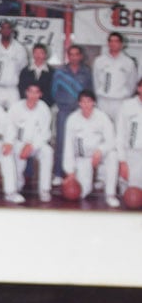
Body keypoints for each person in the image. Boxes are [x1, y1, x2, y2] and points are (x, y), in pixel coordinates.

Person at [62, 91, 120, 207]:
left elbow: (112, 140)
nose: (86, 105)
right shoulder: (72, 119)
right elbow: (68, 146)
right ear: (79, 103)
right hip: (83, 158)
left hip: (99, 154)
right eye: (83, 102)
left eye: (89, 101)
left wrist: (100, 151)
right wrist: (70, 172)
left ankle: (110, 194)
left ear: (94, 102)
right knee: (82, 192)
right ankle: (90, 182)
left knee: (113, 155)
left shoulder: (102, 117)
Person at [51, 43, 93, 181]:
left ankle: (76, 174)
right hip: (64, 112)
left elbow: (90, 92)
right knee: (61, 142)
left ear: (80, 56)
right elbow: (54, 92)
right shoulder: (60, 72)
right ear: (67, 56)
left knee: (80, 142)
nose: (74, 57)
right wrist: (63, 103)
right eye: (71, 54)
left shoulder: (86, 72)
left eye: (76, 54)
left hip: (81, 112)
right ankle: (58, 173)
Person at [9, 80, 54, 202]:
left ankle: (44, 189)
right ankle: (17, 185)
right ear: (26, 93)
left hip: (36, 145)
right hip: (19, 143)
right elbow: (9, 128)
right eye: (31, 92)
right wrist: (17, 145)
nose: (33, 95)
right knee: (17, 160)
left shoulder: (44, 109)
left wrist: (32, 146)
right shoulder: (15, 107)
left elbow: (46, 133)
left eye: (36, 92)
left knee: (48, 151)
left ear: (40, 94)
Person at [94, 31, 138, 125]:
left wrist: (125, 95)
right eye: (111, 41)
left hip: (120, 101)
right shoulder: (99, 61)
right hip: (103, 100)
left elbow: (132, 83)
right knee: (102, 128)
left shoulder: (128, 62)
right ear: (108, 43)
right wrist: (100, 94)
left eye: (116, 41)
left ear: (121, 44)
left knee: (120, 129)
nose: (113, 43)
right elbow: (95, 81)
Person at [0, 21, 27, 109]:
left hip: (12, 88)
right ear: (0, 30)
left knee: (15, 115)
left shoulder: (20, 49)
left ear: (12, 30)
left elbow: (23, 68)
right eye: (3, 28)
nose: (6, 30)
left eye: (8, 28)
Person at [120, 77, 142, 197]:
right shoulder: (127, 106)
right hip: (131, 154)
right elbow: (120, 134)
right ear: (139, 88)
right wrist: (122, 162)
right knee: (132, 195)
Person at [18, 42, 54, 108]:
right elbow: (21, 88)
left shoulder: (51, 72)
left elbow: (52, 91)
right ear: (33, 54)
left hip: (45, 106)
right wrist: (28, 102)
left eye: (41, 53)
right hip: (27, 105)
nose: (38, 56)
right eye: (36, 53)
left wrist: (44, 104)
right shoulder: (25, 71)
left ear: (45, 55)